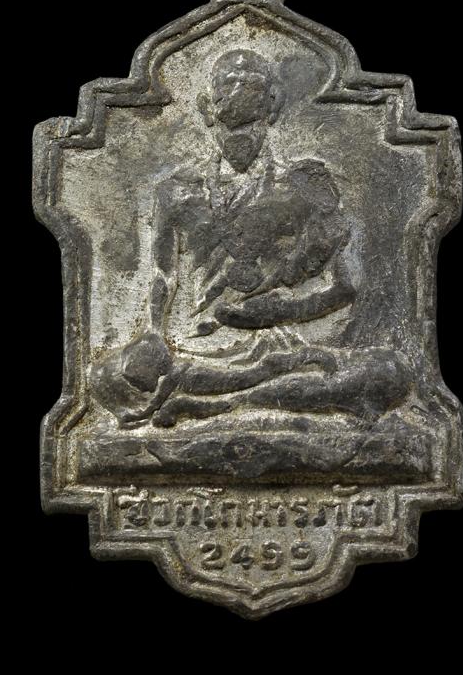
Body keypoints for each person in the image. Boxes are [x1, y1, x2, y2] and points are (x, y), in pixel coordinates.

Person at [90, 50, 410, 428]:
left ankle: (213, 402)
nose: (239, 88)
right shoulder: (177, 190)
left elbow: (345, 287)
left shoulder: (304, 184)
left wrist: (280, 311)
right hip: (197, 345)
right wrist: (154, 334)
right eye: (228, 83)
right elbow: (163, 275)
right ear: (207, 106)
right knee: (106, 378)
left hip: (277, 343)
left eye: (251, 84)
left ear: (272, 105)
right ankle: (251, 396)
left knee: (388, 373)